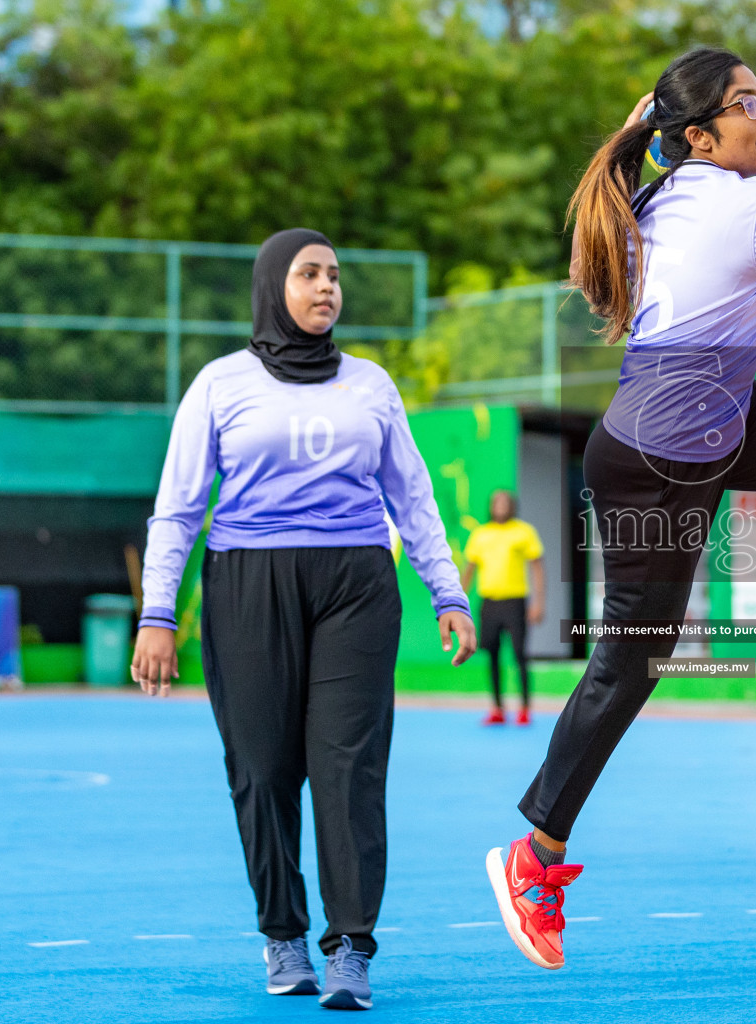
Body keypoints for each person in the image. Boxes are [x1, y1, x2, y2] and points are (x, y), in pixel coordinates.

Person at [484, 48, 756, 971]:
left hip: (723, 423)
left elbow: (650, 145)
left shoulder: (655, 196)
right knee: (630, 667)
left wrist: (651, 115)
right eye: (747, 104)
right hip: (658, 466)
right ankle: (535, 855)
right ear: (700, 134)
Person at [130, 229, 477, 1012]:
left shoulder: (371, 385)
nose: (327, 288)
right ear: (271, 286)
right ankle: (282, 935)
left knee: (350, 769)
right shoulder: (221, 384)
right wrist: (157, 613)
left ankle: (351, 947)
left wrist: (447, 592)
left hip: (355, 581)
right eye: (309, 274)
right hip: (248, 583)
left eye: (334, 276)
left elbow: (412, 499)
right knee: (262, 769)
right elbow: (178, 508)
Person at [462, 490, 545, 725]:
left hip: (515, 603)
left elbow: (537, 568)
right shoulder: (480, 534)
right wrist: (457, 603)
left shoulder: (524, 532)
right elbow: (469, 571)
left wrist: (539, 603)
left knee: (520, 654)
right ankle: (497, 708)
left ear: (512, 506)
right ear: (491, 506)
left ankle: (525, 708)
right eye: (496, 502)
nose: (500, 506)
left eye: (505, 502)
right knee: (492, 655)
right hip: (489, 603)